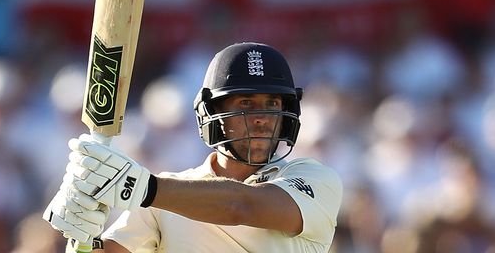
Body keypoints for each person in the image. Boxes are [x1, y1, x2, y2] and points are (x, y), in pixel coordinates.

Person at [44, 42, 343, 252]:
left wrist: (144, 189)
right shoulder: (163, 195)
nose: (262, 118)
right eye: (247, 104)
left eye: (272, 104)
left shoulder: (316, 180)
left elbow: (240, 205)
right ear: (213, 115)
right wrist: (82, 236)